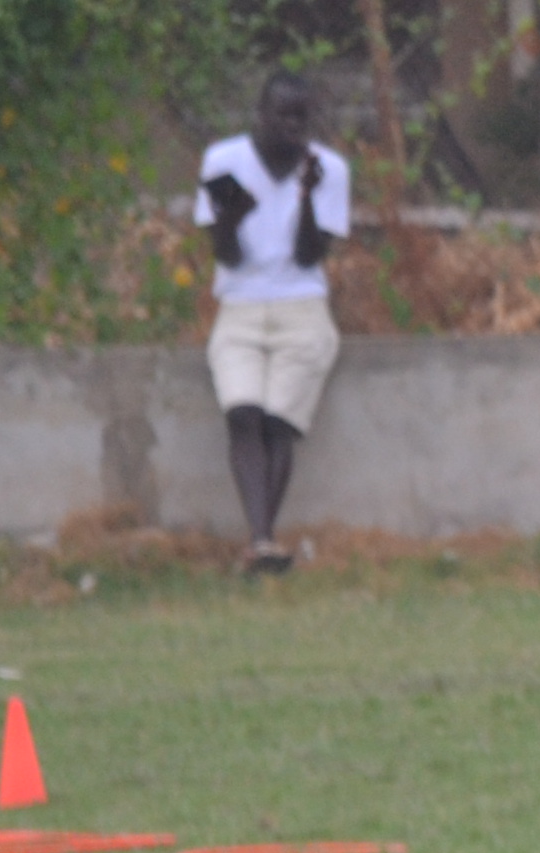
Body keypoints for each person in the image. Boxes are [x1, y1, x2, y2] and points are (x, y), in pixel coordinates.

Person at [198, 74, 349, 577]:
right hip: (239, 306)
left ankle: (260, 543)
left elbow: (310, 256)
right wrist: (230, 218)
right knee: (242, 415)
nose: (293, 127)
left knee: (277, 424)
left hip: (301, 307)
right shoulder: (223, 162)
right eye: (283, 116)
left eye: (302, 118)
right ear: (260, 114)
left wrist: (307, 197)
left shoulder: (328, 169)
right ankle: (262, 543)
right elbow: (226, 255)